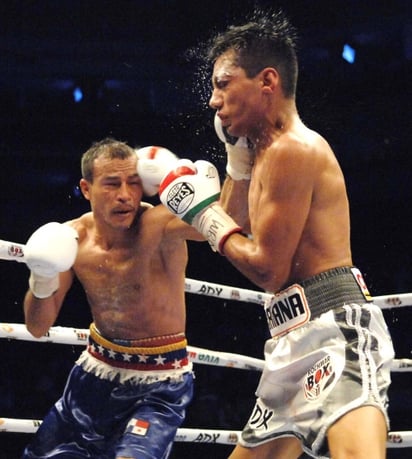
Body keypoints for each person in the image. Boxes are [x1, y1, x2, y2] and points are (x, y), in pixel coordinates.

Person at [158, 9, 395, 459]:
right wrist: (234, 164)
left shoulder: (293, 149)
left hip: (336, 329)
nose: (213, 100)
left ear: (266, 82)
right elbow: (231, 221)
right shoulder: (262, 152)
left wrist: (205, 215)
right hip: (290, 342)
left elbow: (265, 266)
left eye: (223, 84)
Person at [21, 138, 203, 459]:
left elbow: (231, 222)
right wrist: (41, 277)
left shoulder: (159, 224)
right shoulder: (71, 238)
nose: (125, 195)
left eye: (134, 183)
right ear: (86, 188)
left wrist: (202, 187)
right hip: (94, 376)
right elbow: (38, 326)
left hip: (159, 384)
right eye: (111, 184)